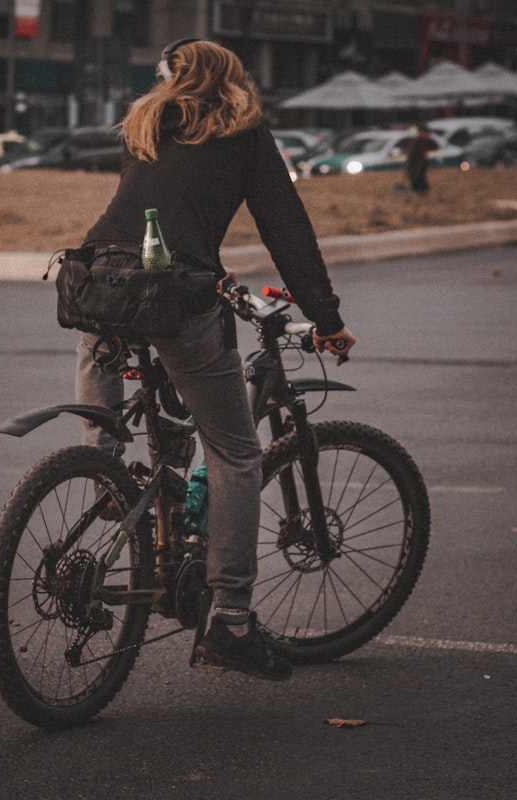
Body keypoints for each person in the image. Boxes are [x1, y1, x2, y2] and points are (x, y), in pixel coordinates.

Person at [75, 39, 356, 681]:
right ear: (232, 81)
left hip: (96, 279)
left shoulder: (144, 123)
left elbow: (162, 210)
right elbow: (285, 227)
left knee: (118, 374)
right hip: (172, 293)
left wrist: (205, 257)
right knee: (234, 451)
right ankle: (230, 621)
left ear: (171, 78)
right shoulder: (244, 134)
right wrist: (329, 318)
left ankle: (105, 475)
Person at [406, 124, 431, 194]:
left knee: (423, 186)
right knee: (418, 186)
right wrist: (408, 171)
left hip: (421, 168)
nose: (427, 135)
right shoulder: (416, 143)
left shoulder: (425, 142)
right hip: (415, 169)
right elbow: (410, 158)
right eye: (425, 133)